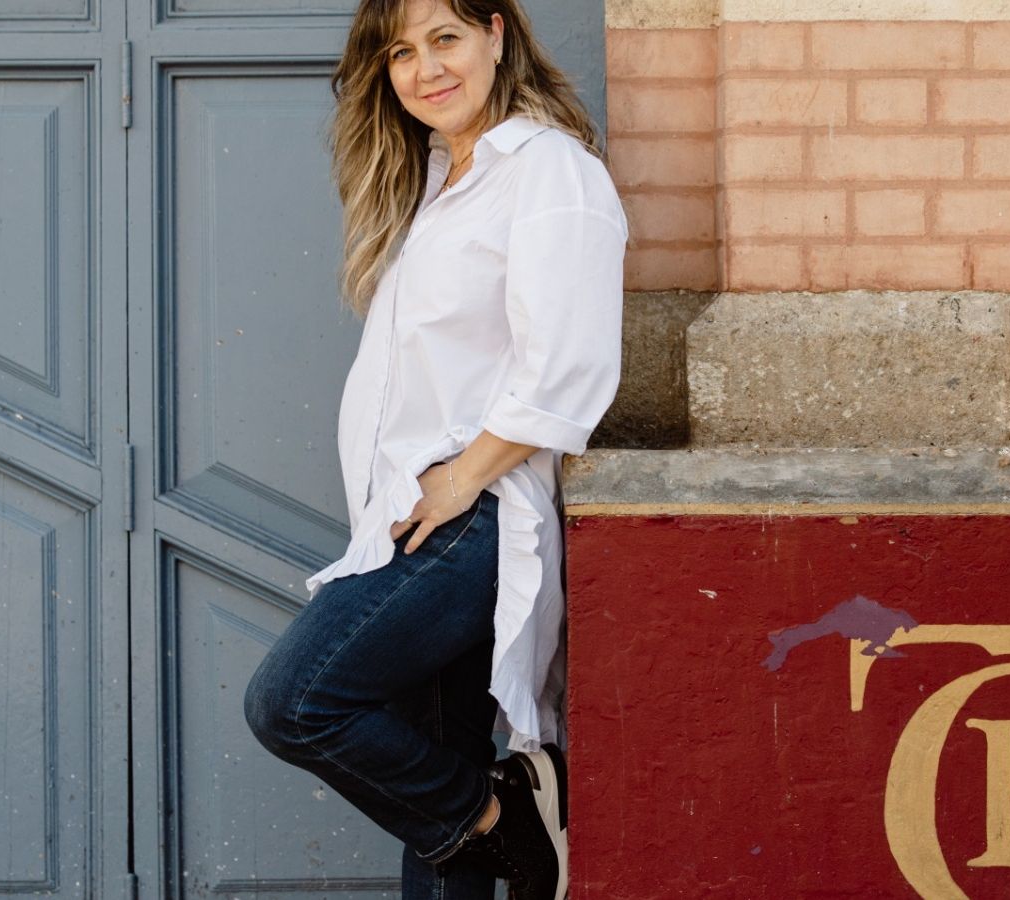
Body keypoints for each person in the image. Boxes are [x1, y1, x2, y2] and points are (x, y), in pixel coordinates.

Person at [242, 0, 626, 896]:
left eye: (445, 39)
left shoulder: (549, 174)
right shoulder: (433, 182)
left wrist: (462, 478)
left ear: (497, 34)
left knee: (295, 702)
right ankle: (493, 822)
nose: (425, 70)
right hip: (412, 522)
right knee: (437, 768)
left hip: (473, 519)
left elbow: (567, 366)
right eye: (401, 52)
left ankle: (504, 817)